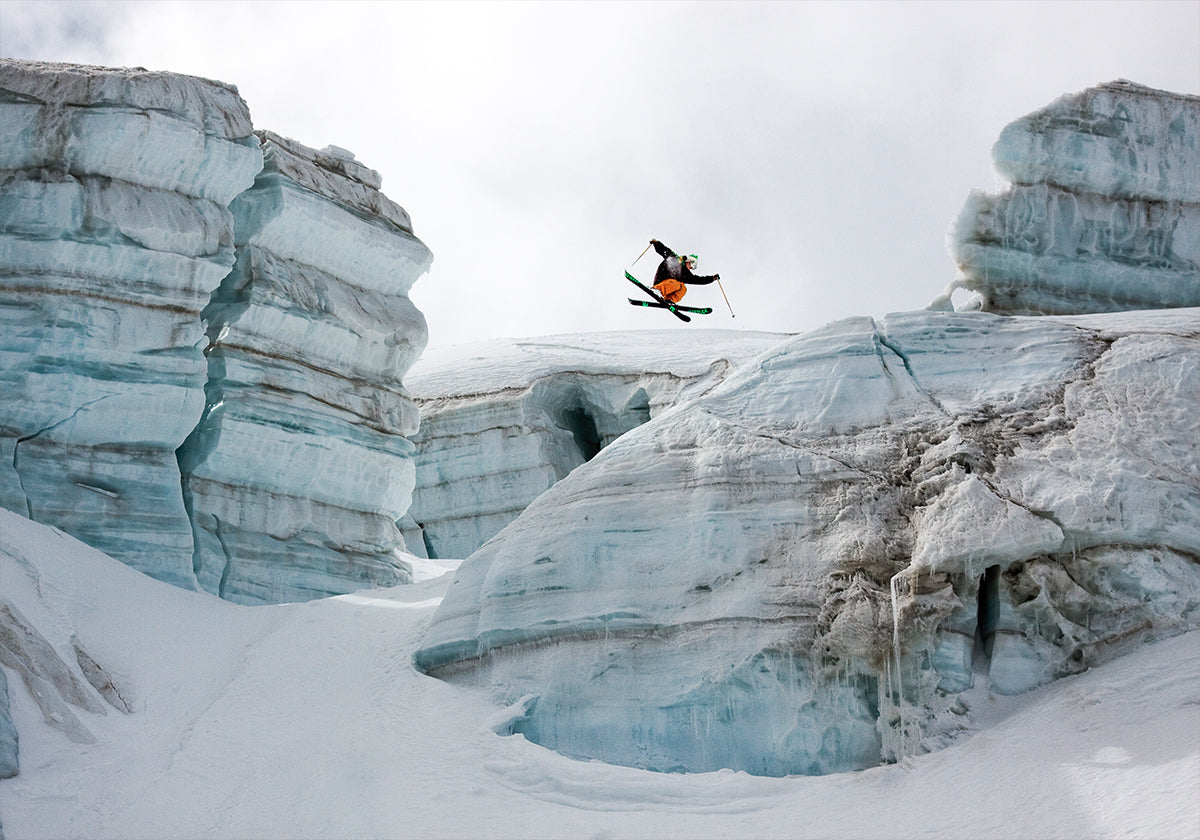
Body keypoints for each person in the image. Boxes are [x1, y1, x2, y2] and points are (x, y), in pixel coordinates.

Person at [649, 239, 720, 304]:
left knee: (683, 288)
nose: (691, 268)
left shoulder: (685, 275)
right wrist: (657, 244)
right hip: (661, 281)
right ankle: (657, 290)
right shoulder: (676, 260)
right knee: (676, 284)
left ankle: (669, 300)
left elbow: (699, 280)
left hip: (669, 286)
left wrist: (712, 278)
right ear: (689, 261)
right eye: (692, 266)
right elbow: (665, 251)